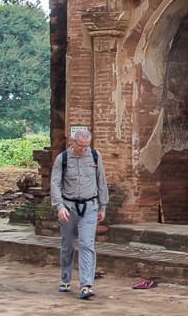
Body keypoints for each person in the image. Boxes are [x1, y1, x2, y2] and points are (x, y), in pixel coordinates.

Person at [50, 128, 109, 300]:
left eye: (86, 146)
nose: (84, 149)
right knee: (67, 244)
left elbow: (101, 181)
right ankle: (66, 278)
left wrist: (103, 206)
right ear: (73, 142)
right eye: (81, 145)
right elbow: (55, 183)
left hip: (89, 206)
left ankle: (86, 285)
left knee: (86, 244)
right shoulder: (62, 159)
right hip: (68, 207)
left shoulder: (95, 156)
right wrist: (59, 206)